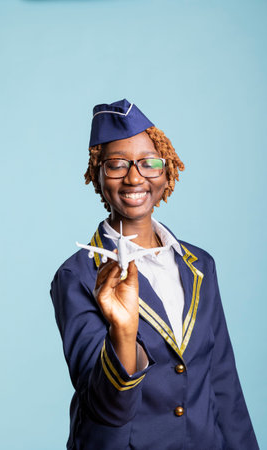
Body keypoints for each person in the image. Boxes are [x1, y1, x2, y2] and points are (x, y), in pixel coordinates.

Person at [50, 99, 258, 449]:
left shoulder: (200, 264)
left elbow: (223, 382)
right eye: (117, 165)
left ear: (167, 171)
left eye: (150, 163)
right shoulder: (78, 276)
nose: (135, 177)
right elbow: (100, 404)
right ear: (97, 175)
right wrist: (124, 332)